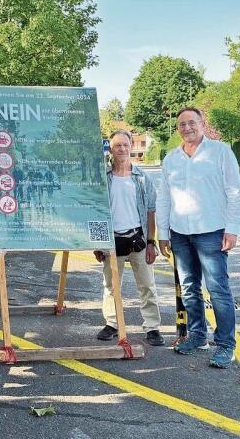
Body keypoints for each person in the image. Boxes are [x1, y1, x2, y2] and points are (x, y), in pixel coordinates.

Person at [157, 107, 240, 369]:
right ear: (177, 129)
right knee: (188, 288)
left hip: (212, 231)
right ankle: (197, 336)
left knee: (218, 289)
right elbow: (164, 198)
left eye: (191, 122)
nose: (187, 128)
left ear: (202, 124)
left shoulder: (220, 152)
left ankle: (225, 345)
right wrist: (163, 233)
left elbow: (235, 192)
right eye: (181, 124)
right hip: (179, 233)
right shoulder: (171, 159)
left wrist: (233, 228)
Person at [93, 130, 163, 346]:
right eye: (117, 146)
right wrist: (97, 243)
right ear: (111, 149)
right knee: (111, 286)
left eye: (125, 145)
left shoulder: (142, 178)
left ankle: (152, 327)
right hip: (112, 241)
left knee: (147, 285)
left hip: (138, 239)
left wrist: (151, 242)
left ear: (131, 146)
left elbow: (151, 211)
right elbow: (97, 210)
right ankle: (112, 323)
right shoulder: (103, 179)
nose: (122, 149)